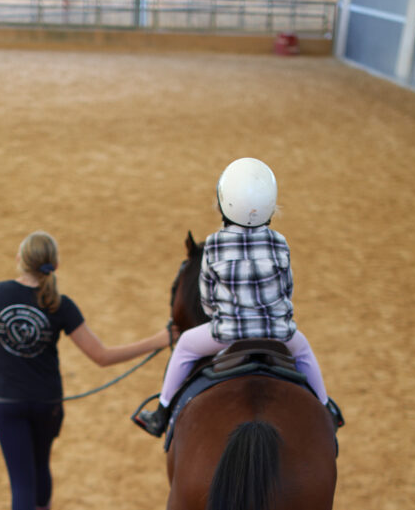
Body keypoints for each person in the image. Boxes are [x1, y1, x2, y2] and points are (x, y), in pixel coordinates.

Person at [0, 230, 170, 510]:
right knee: (41, 463)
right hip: (47, 403)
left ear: (20, 259)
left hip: (7, 404)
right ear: (54, 265)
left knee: (21, 482)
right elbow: (102, 356)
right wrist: (159, 339)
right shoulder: (61, 304)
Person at [135, 157, 342, 438]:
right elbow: (286, 290)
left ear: (224, 202)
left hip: (227, 334)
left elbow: (207, 298)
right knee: (303, 350)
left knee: (184, 345)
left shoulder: (213, 245)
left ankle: (161, 413)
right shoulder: (279, 242)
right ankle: (326, 408)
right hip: (276, 333)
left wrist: (219, 311)